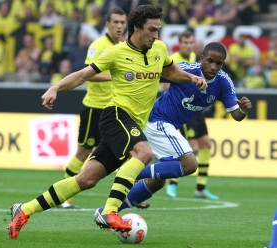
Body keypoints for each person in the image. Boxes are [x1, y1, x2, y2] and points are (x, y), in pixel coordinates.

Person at [7, 4, 207, 240]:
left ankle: (24, 209)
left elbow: (171, 71)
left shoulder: (159, 49)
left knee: (86, 179)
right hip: (116, 116)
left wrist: (191, 77)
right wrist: (56, 87)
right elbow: (83, 75)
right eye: (152, 29)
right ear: (137, 28)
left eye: (158, 29)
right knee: (143, 153)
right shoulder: (116, 53)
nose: (156, 35)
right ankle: (110, 211)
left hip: (133, 124)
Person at [95, 42, 252, 218]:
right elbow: (152, 75)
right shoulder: (186, 70)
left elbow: (236, 115)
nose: (214, 67)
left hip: (164, 127)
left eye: (219, 63)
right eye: (210, 61)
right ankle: (131, 171)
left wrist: (244, 110)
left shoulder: (223, 82)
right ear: (201, 58)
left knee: (157, 181)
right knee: (190, 164)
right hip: (157, 120)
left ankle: (108, 211)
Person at [59, 7, 128, 208]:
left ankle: (130, 196)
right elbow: (86, 73)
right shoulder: (98, 45)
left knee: (124, 151)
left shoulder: (123, 47)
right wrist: (112, 76)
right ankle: (65, 197)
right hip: (94, 108)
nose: (119, 26)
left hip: (113, 108)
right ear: (107, 24)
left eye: (122, 23)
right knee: (83, 152)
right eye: (115, 22)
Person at [165, 30, 219, 200]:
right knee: (191, 148)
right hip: (183, 109)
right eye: (185, 43)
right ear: (179, 44)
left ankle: (201, 188)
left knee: (206, 145)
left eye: (191, 42)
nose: (188, 46)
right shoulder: (173, 60)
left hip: (197, 108)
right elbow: (165, 86)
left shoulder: (196, 58)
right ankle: (172, 183)